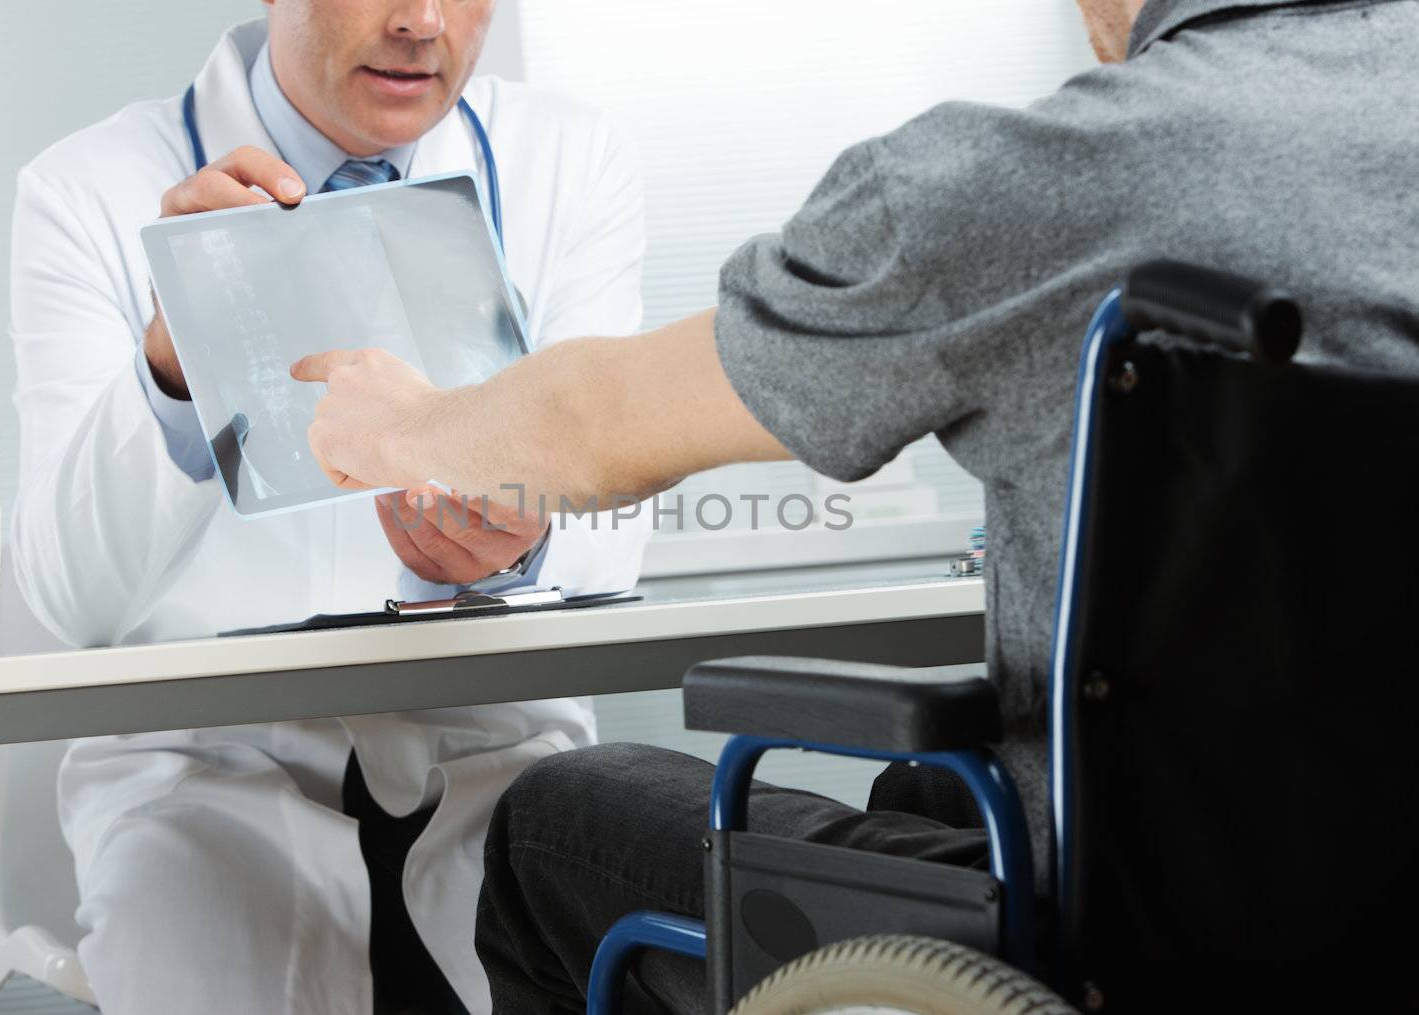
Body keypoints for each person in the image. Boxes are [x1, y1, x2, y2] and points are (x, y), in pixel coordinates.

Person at [291, 0, 1419, 1010]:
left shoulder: (1053, 174)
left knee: (561, 816)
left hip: (1141, 944)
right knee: (924, 786)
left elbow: (592, 432)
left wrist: (401, 428)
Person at [7, 2, 649, 1012]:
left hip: (497, 758)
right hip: (211, 776)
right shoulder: (85, 189)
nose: (422, 21)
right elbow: (72, 596)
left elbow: (615, 516)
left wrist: (516, 545)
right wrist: (172, 364)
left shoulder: (566, 158)